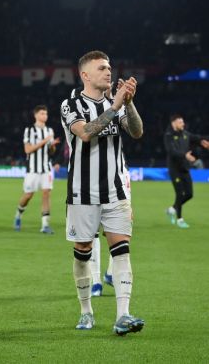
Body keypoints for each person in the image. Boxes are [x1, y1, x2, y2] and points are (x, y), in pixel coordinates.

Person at [60, 50, 144, 335]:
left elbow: (136, 131)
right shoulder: (71, 104)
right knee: (83, 252)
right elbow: (85, 132)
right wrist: (115, 106)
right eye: (101, 68)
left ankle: (123, 315)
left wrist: (128, 104)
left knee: (121, 251)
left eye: (109, 67)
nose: (109, 72)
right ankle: (86, 311)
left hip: (116, 191)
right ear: (85, 75)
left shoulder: (116, 103)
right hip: (82, 193)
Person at [13, 105, 60, 234]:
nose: (45, 116)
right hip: (33, 169)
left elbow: (51, 152)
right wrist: (45, 141)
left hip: (46, 168)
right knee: (28, 195)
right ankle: (18, 215)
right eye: (42, 114)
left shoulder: (50, 131)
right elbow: (28, 150)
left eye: (46, 114)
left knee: (46, 194)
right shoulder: (29, 130)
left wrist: (52, 146)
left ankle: (45, 225)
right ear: (36, 115)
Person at [163, 114, 209, 229]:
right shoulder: (168, 136)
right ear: (173, 123)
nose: (182, 124)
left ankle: (171, 209)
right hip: (174, 169)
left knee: (189, 194)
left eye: (182, 122)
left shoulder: (185, 134)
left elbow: (197, 137)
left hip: (184, 168)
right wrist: (185, 155)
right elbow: (172, 152)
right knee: (179, 193)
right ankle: (179, 219)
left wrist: (203, 141)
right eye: (180, 122)